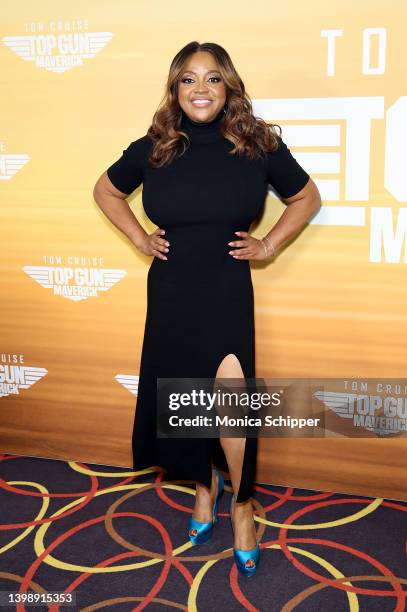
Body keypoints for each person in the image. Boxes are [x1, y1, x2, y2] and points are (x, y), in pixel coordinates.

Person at [93, 40, 321, 576]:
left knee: (231, 402)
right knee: (186, 396)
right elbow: (106, 192)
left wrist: (268, 246)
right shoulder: (155, 146)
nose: (200, 89)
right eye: (189, 79)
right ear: (175, 89)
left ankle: (242, 508)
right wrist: (138, 239)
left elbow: (306, 198)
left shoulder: (257, 144)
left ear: (229, 86)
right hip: (172, 289)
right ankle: (204, 491)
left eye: (212, 78)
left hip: (225, 289)